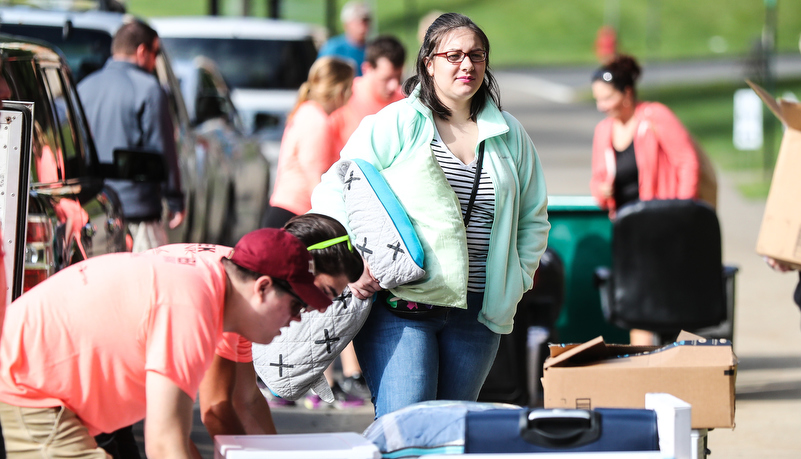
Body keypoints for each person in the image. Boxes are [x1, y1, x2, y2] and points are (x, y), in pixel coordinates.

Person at [311, 12, 550, 419]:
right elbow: (335, 189)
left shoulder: (510, 134)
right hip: (402, 305)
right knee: (404, 426)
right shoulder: (398, 121)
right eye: (453, 55)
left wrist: (516, 280)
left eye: (477, 55)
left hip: (477, 313)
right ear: (428, 63)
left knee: (451, 432)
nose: (467, 65)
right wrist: (352, 263)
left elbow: (534, 218)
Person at [0, 227, 337, 458]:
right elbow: (163, 445)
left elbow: (177, 434)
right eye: (297, 305)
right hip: (30, 392)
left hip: (45, 391)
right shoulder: (191, 307)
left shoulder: (208, 286)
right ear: (262, 287)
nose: (298, 318)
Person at [193, 213, 364, 436]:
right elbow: (214, 411)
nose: (314, 309)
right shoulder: (227, 294)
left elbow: (248, 401)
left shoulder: (245, 289)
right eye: (320, 293)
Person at [589, 54, 702, 345]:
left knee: (669, 302)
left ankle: (678, 368)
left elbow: (687, 162)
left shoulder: (655, 117)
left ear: (627, 93)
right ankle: (644, 371)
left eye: (607, 98)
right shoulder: (604, 131)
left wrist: (682, 210)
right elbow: (597, 178)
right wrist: (602, 191)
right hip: (628, 231)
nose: (601, 106)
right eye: (597, 100)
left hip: (664, 226)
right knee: (635, 305)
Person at [78, 19, 184, 253]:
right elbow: (163, 151)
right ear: (142, 51)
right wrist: (175, 200)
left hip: (92, 214)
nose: (155, 60)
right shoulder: (149, 89)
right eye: (155, 52)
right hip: (138, 213)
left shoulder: (84, 88)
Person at [262, 56, 354, 229]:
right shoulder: (317, 121)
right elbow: (315, 179)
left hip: (288, 209)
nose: (352, 94)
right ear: (341, 89)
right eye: (350, 87)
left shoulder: (306, 111)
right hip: (296, 213)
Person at [329, 35, 406, 155]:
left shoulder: (404, 100)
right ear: (367, 69)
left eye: (398, 77)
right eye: (386, 78)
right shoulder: (344, 97)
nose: (394, 85)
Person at [318, 1, 371, 76]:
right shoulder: (333, 48)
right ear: (346, 25)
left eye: (366, 21)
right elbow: (322, 76)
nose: (362, 27)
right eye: (357, 22)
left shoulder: (372, 49)